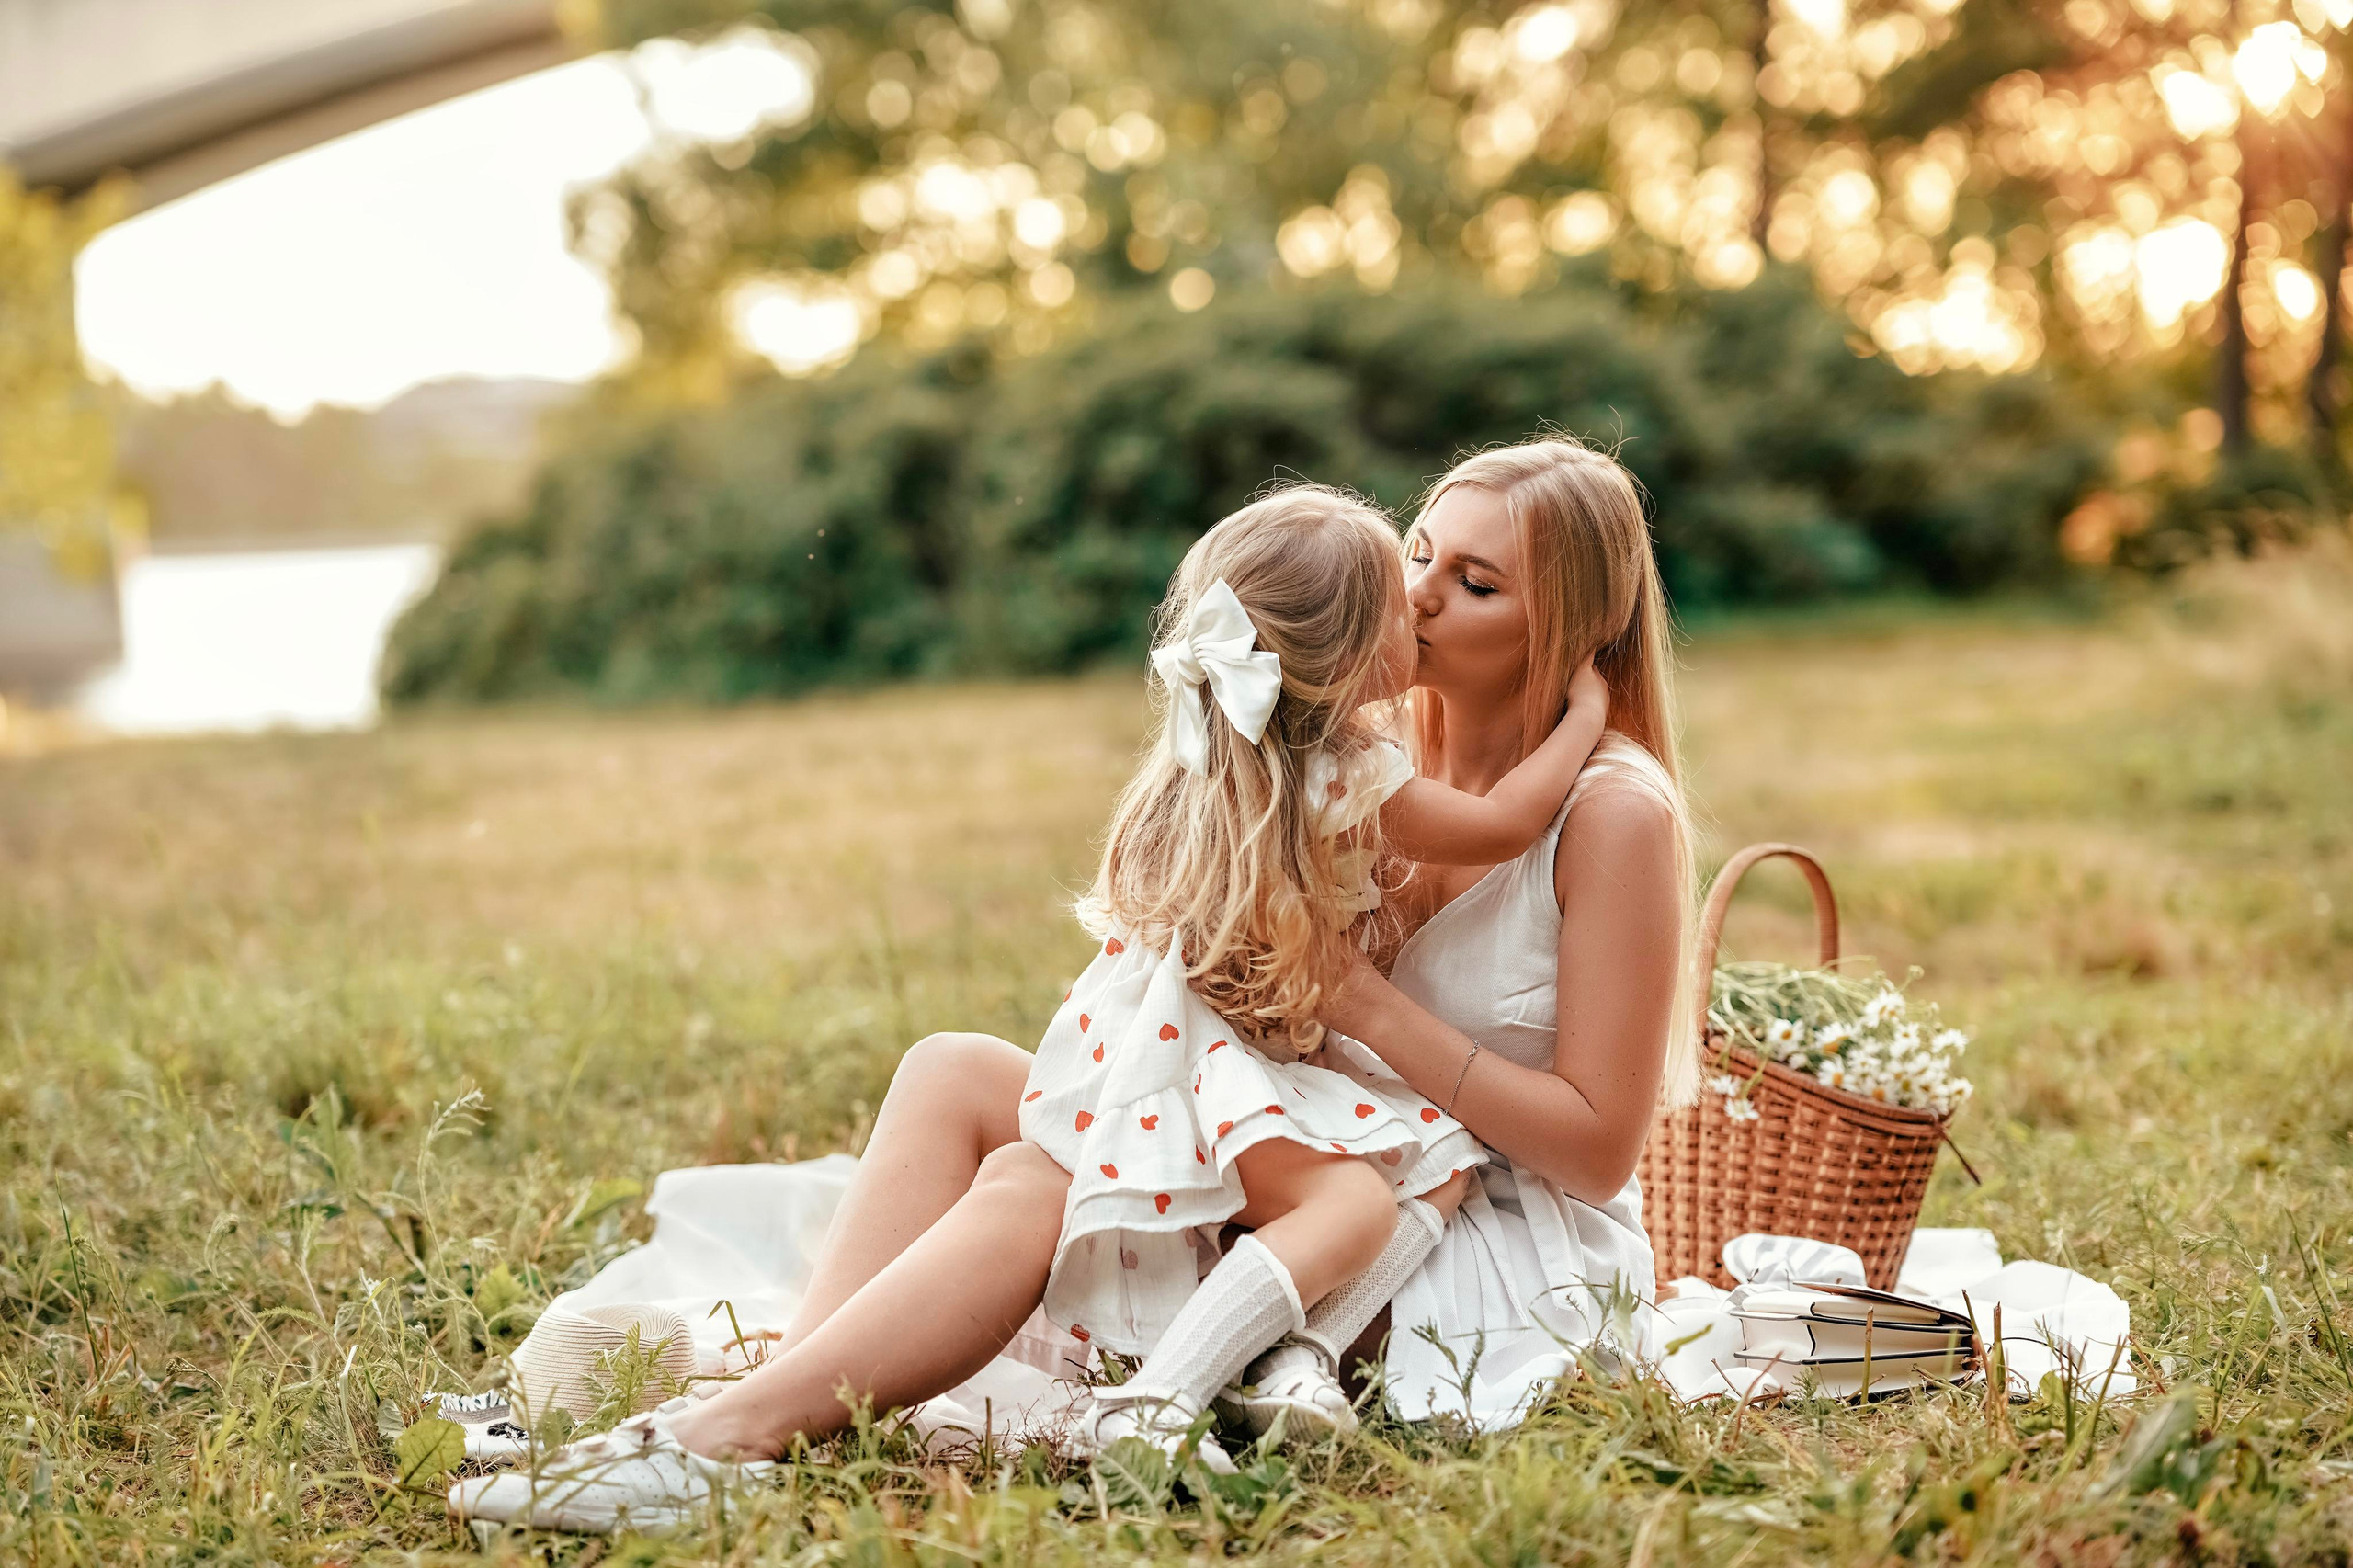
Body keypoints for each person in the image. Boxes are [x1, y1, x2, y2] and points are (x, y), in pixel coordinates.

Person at [449, 439, 1690, 1532]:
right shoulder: (1355, 741)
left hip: (1466, 1222)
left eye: (1472, 585)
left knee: (1041, 1174)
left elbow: (1592, 1149)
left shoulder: (1612, 813)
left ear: (1572, 636)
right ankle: (792, 1386)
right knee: (955, 1073)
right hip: (1314, 1130)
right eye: (1418, 553)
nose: (1414, 598)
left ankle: (726, 1441)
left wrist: (1366, 1009)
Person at [1019, 485, 1608, 1466]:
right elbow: (1508, 823)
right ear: (1351, 661)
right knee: (1370, 1194)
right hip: (1234, 1049)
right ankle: (1161, 1395)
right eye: (1404, 583)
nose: (1420, 605)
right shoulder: (1346, 775)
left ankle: (1305, 1350)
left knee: (1441, 1156)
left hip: (1165, 1032)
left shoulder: (1212, 747)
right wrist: (1586, 715)